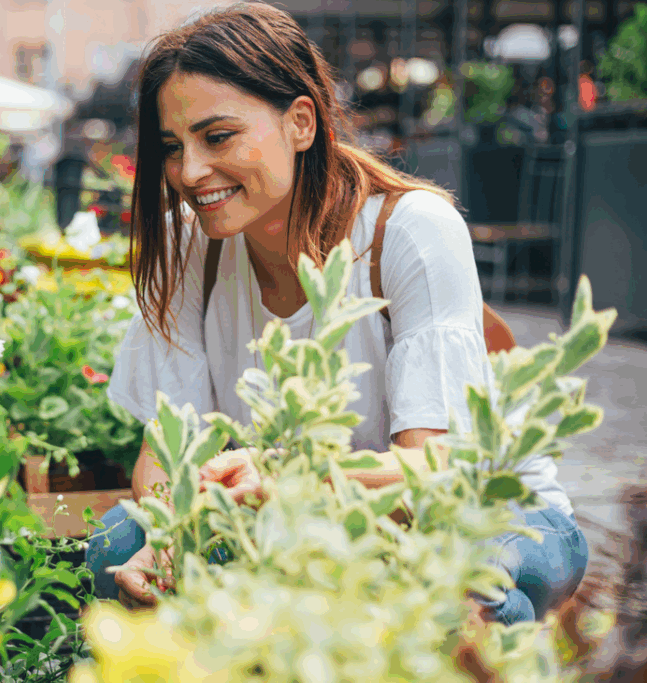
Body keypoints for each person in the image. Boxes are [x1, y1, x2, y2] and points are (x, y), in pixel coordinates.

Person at [84, 2, 587, 626]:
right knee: (118, 546)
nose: (189, 171)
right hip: (302, 515)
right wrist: (168, 532)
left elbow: (436, 474)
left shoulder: (410, 231)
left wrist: (289, 479)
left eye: (217, 137)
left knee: (458, 589)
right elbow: (164, 452)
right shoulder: (188, 245)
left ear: (301, 122)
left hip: (490, 512)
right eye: (171, 146)